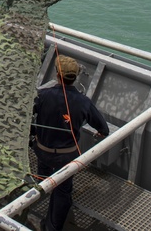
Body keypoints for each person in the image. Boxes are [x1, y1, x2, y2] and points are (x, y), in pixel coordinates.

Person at [32, 55, 109, 231]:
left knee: (43, 173)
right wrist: (101, 133)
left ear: (58, 75)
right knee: (63, 191)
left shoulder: (42, 95)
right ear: (75, 77)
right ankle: (52, 227)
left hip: (42, 151)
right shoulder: (84, 102)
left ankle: (40, 185)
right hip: (66, 157)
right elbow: (103, 128)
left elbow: (27, 110)